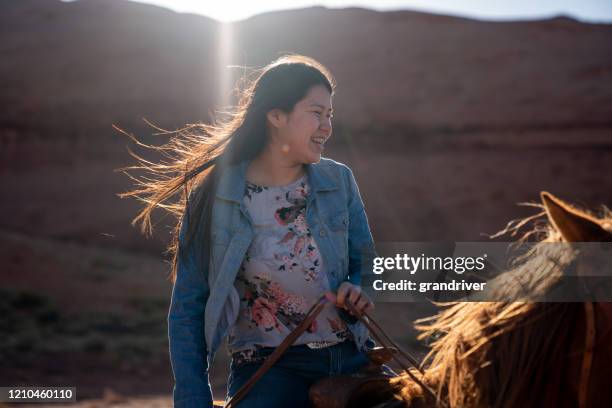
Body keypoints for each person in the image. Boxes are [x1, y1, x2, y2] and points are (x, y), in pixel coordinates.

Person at [123, 54, 377, 407]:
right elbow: (188, 308)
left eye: (330, 115)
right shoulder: (214, 197)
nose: (327, 127)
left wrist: (359, 288)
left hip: (350, 357)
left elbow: (366, 263)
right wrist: (193, 399)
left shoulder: (339, 181)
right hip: (268, 369)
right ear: (276, 116)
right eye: (316, 113)